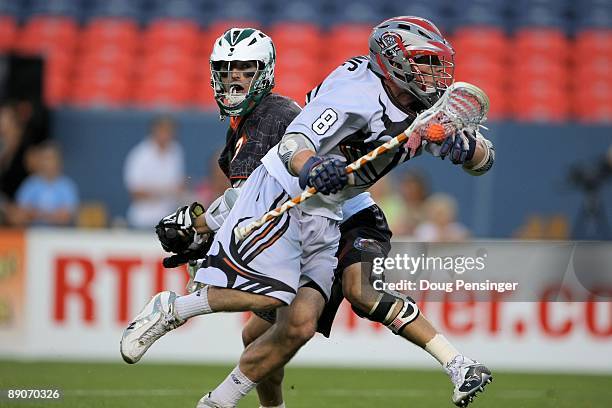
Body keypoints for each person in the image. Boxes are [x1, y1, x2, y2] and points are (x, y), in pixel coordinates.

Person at [120, 17, 496, 407]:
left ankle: (216, 401)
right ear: (393, 61)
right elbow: (293, 145)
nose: (435, 74)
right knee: (273, 295)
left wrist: (469, 153)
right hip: (287, 192)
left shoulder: (428, 107)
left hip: (330, 211)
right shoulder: (355, 93)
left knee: (301, 322)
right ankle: (175, 310)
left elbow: (484, 159)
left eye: (436, 63)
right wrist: (313, 165)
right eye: (425, 62)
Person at [123, 115, 186, 228]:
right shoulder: (139, 155)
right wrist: (165, 191)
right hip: (143, 220)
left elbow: (178, 184)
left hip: (168, 220)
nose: (167, 134)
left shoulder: (176, 151)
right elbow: (135, 192)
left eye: (170, 130)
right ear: (154, 130)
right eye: (163, 130)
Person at [7, 141, 79, 226]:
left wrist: (36, 213)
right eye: (45, 158)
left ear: (59, 161)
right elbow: (19, 214)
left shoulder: (67, 186)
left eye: (51, 158)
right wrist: (51, 215)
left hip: (60, 236)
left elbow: (65, 217)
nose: (47, 163)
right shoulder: (30, 184)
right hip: (31, 234)